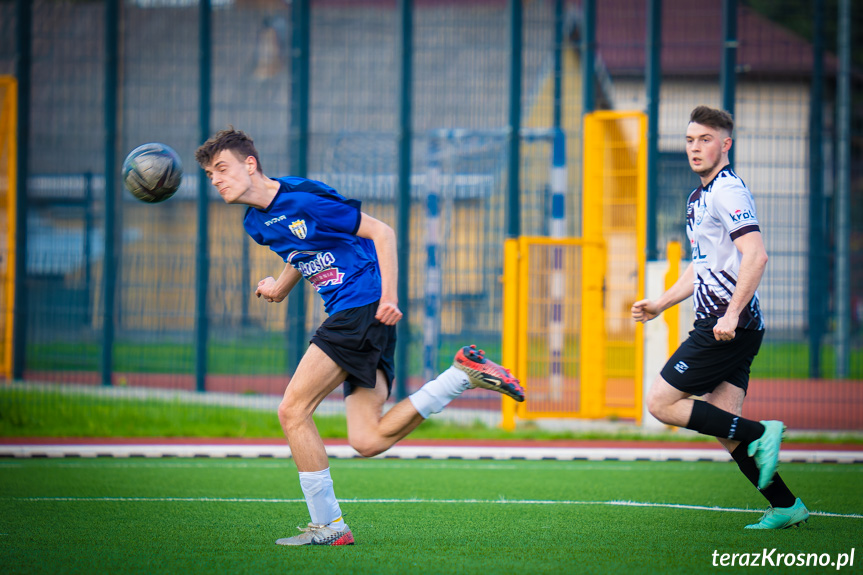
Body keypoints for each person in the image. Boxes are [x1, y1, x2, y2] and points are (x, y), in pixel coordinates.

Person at [195, 127, 525, 546]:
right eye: (209, 175)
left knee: (292, 410)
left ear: (250, 164)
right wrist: (280, 287)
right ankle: (462, 374)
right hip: (360, 315)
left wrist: (389, 295)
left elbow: (381, 232)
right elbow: (304, 251)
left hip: (362, 307)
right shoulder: (256, 223)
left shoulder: (303, 199)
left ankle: (329, 526)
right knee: (367, 440)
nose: (217, 179)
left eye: (222, 168)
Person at [631, 106, 808, 530]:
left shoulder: (728, 191)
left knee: (660, 402)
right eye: (690, 140)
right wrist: (661, 303)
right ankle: (786, 505)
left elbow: (756, 254)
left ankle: (762, 432)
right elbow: (704, 265)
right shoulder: (700, 196)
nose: (695, 148)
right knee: (726, 428)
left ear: (725, 144)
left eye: (705, 139)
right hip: (733, 325)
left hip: (727, 325)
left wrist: (730, 314)